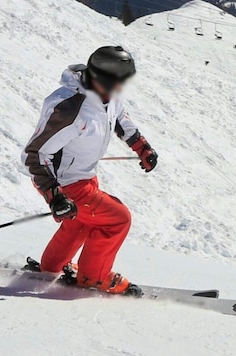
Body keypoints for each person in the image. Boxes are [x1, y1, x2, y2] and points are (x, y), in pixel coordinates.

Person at [22, 46, 158, 295]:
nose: (122, 87)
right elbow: (35, 154)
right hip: (64, 183)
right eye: (120, 81)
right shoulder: (70, 108)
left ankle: (51, 268)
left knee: (79, 223)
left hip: (85, 177)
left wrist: (141, 146)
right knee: (117, 220)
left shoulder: (107, 95)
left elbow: (119, 118)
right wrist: (55, 195)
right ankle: (95, 277)